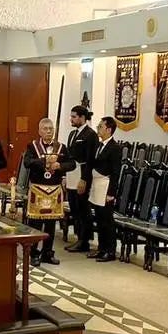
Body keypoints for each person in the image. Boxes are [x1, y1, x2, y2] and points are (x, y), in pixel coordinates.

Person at [22, 118, 75, 266]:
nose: (48, 131)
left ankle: (47, 253)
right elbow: (27, 163)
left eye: (51, 129)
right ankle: (34, 253)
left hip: (54, 190)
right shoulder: (32, 146)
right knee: (35, 224)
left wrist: (59, 165)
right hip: (38, 189)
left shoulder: (61, 147)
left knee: (51, 225)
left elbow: (72, 164)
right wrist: (44, 162)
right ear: (39, 131)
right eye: (45, 129)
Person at [63, 105, 98, 253]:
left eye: (74, 117)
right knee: (74, 207)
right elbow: (68, 156)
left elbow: (90, 160)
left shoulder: (90, 135)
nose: (71, 119)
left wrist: (84, 179)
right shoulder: (72, 134)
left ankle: (85, 240)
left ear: (82, 118)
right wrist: (64, 175)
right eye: (71, 116)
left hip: (82, 174)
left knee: (83, 208)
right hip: (72, 173)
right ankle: (78, 237)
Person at [88, 117, 121, 262]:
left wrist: (111, 193)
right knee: (99, 219)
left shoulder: (114, 148)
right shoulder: (99, 145)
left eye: (100, 126)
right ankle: (101, 249)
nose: (98, 128)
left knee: (107, 220)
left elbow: (115, 172)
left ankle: (110, 250)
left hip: (106, 186)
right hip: (97, 184)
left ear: (108, 129)